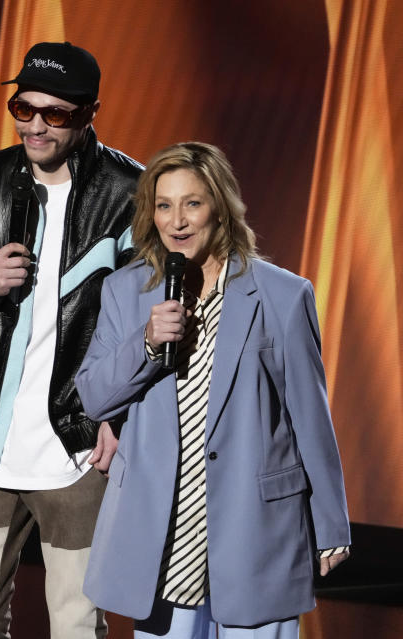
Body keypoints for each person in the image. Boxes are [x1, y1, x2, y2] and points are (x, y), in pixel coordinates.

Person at [75, 142, 350, 638]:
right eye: (164, 205)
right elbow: (94, 396)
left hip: (255, 529)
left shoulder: (283, 296)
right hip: (164, 531)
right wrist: (146, 341)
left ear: (219, 207)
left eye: (192, 203)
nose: (177, 220)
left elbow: (311, 420)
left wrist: (330, 523)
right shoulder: (126, 291)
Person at [0, 42, 142, 639]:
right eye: (24, 108)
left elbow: (153, 326)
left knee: (75, 623)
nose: (36, 125)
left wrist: (119, 415)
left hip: (78, 446)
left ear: (90, 113)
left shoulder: (129, 194)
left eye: (56, 113)